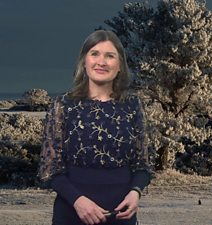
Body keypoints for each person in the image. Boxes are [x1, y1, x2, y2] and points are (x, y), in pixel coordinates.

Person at [38, 30, 152, 225]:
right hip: (72, 214)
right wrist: (78, 201)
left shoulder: (133, 105)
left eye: (110, 56)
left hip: (120, 216)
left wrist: (135, 193)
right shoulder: (63, 105)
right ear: (84, 61)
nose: (102, 62)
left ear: (119, 66)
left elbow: (143, 164)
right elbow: (50, 169)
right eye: (95, 54)